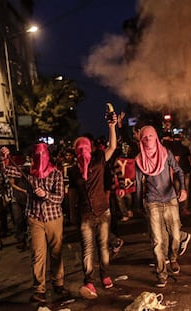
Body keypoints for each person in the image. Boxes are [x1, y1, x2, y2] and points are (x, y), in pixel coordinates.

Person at [0, 143, 68, 304]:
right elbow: (5, 170)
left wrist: (46, 195)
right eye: (37, 156)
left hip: (53, 218)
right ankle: (39, 289)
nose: (40, 159)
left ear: (48, 156)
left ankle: (58, 283)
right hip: (35, 218)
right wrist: (2, 158)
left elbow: (60, 198)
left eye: (42, 155)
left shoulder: (56, 174)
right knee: (38, 255)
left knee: (56, 253)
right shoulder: (27, 171)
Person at [68, 112, 118, 300]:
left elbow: (113, 146)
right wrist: (72, 215)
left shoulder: (99, 161)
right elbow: (72, 195)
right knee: (88, 249)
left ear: (90, 148)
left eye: (85, 147)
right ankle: (89, 280)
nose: (83, 151)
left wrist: (112, 126)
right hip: (85, 215)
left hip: (103, 211)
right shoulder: (73, 171)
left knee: (103, 247)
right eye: (79, 149)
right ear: (75, 151)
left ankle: (104, 275)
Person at [135, 125, 190, 288]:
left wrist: (183, 189)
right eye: (144, 138)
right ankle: (161, 274)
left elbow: (179, 171)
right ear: (141, 140)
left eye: (150, 136)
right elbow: (138, 184)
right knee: (157, 240)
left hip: (171, 199)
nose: (148, 140)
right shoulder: (139, 159)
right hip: (152, 202)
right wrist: (139, 205)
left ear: (156, 137)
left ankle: (172, 258)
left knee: (175, 236)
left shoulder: (166, 154)